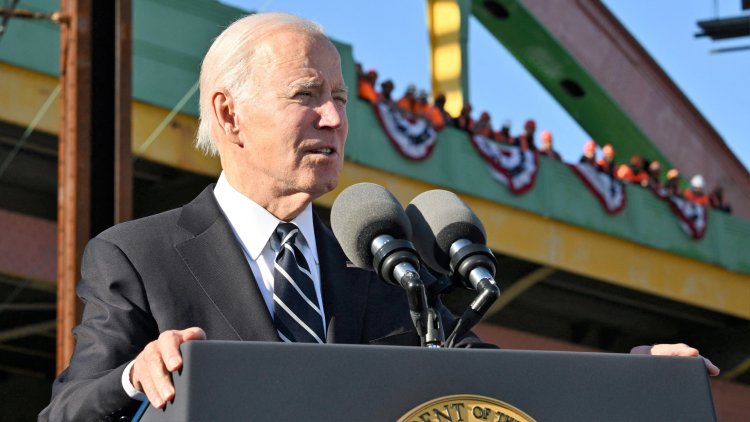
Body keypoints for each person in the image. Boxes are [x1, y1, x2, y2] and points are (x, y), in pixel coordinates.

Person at [40, 12, 718, 422]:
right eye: (308, 95)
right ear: (228, 114)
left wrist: (634, 376)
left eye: (340, 96)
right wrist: (137, 377)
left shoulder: (383, 254)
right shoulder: (139, 255)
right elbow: (67, 413)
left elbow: (488, 389)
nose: (335, 118)